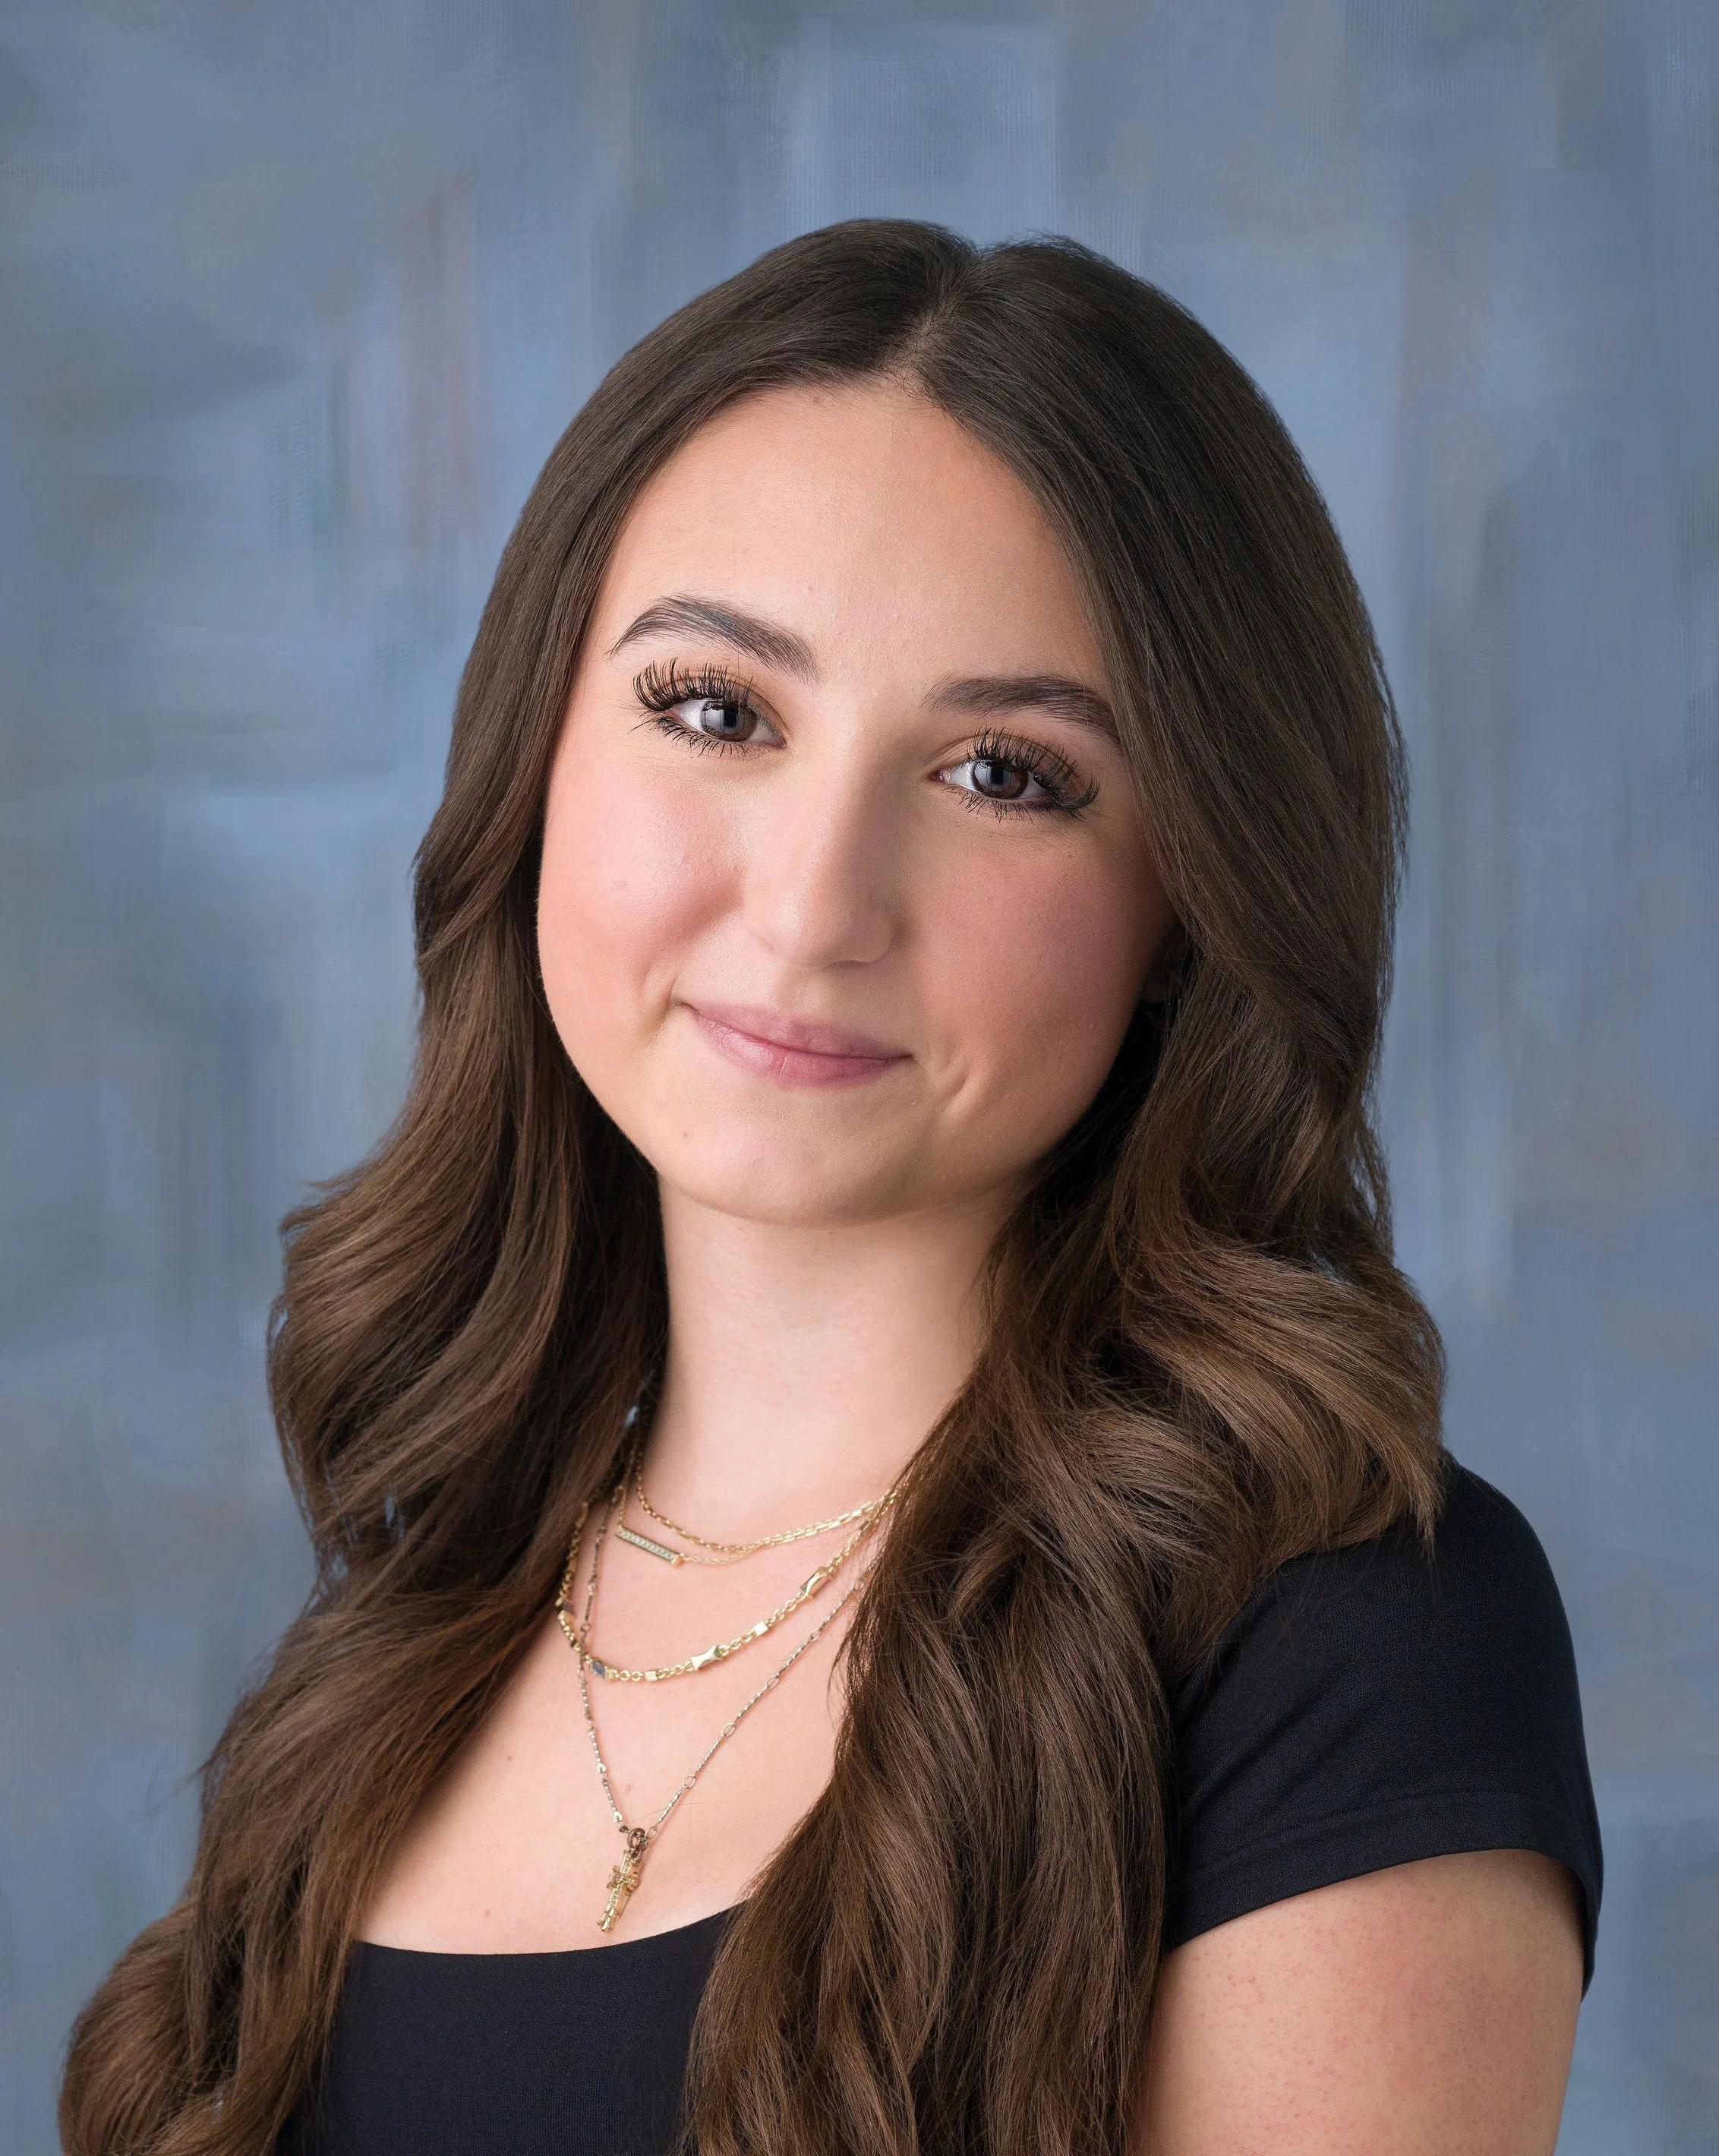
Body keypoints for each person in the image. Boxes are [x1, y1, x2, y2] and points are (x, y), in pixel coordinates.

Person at [60, 220, 1601, 2156]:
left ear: (1191, 906)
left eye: (1004, 774)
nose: (809, 911)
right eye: (717, 711)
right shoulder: (410, 1619)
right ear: (534, 755)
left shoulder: (1347, 1651)